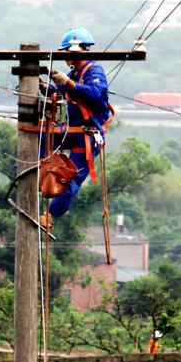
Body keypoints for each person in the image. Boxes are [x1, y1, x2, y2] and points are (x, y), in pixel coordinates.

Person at [38, 26, 112, 230]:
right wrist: (45, 87)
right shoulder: (75, 73)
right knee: (43, 137)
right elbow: (59, 91)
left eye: (66, 53)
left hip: (88, 135)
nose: (64, 58)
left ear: (76, 52)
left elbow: (95, 93)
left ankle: (50, 215)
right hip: (72, 130)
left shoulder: (94, 71)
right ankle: (36, 174)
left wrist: (69, 82)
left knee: (71, 177)